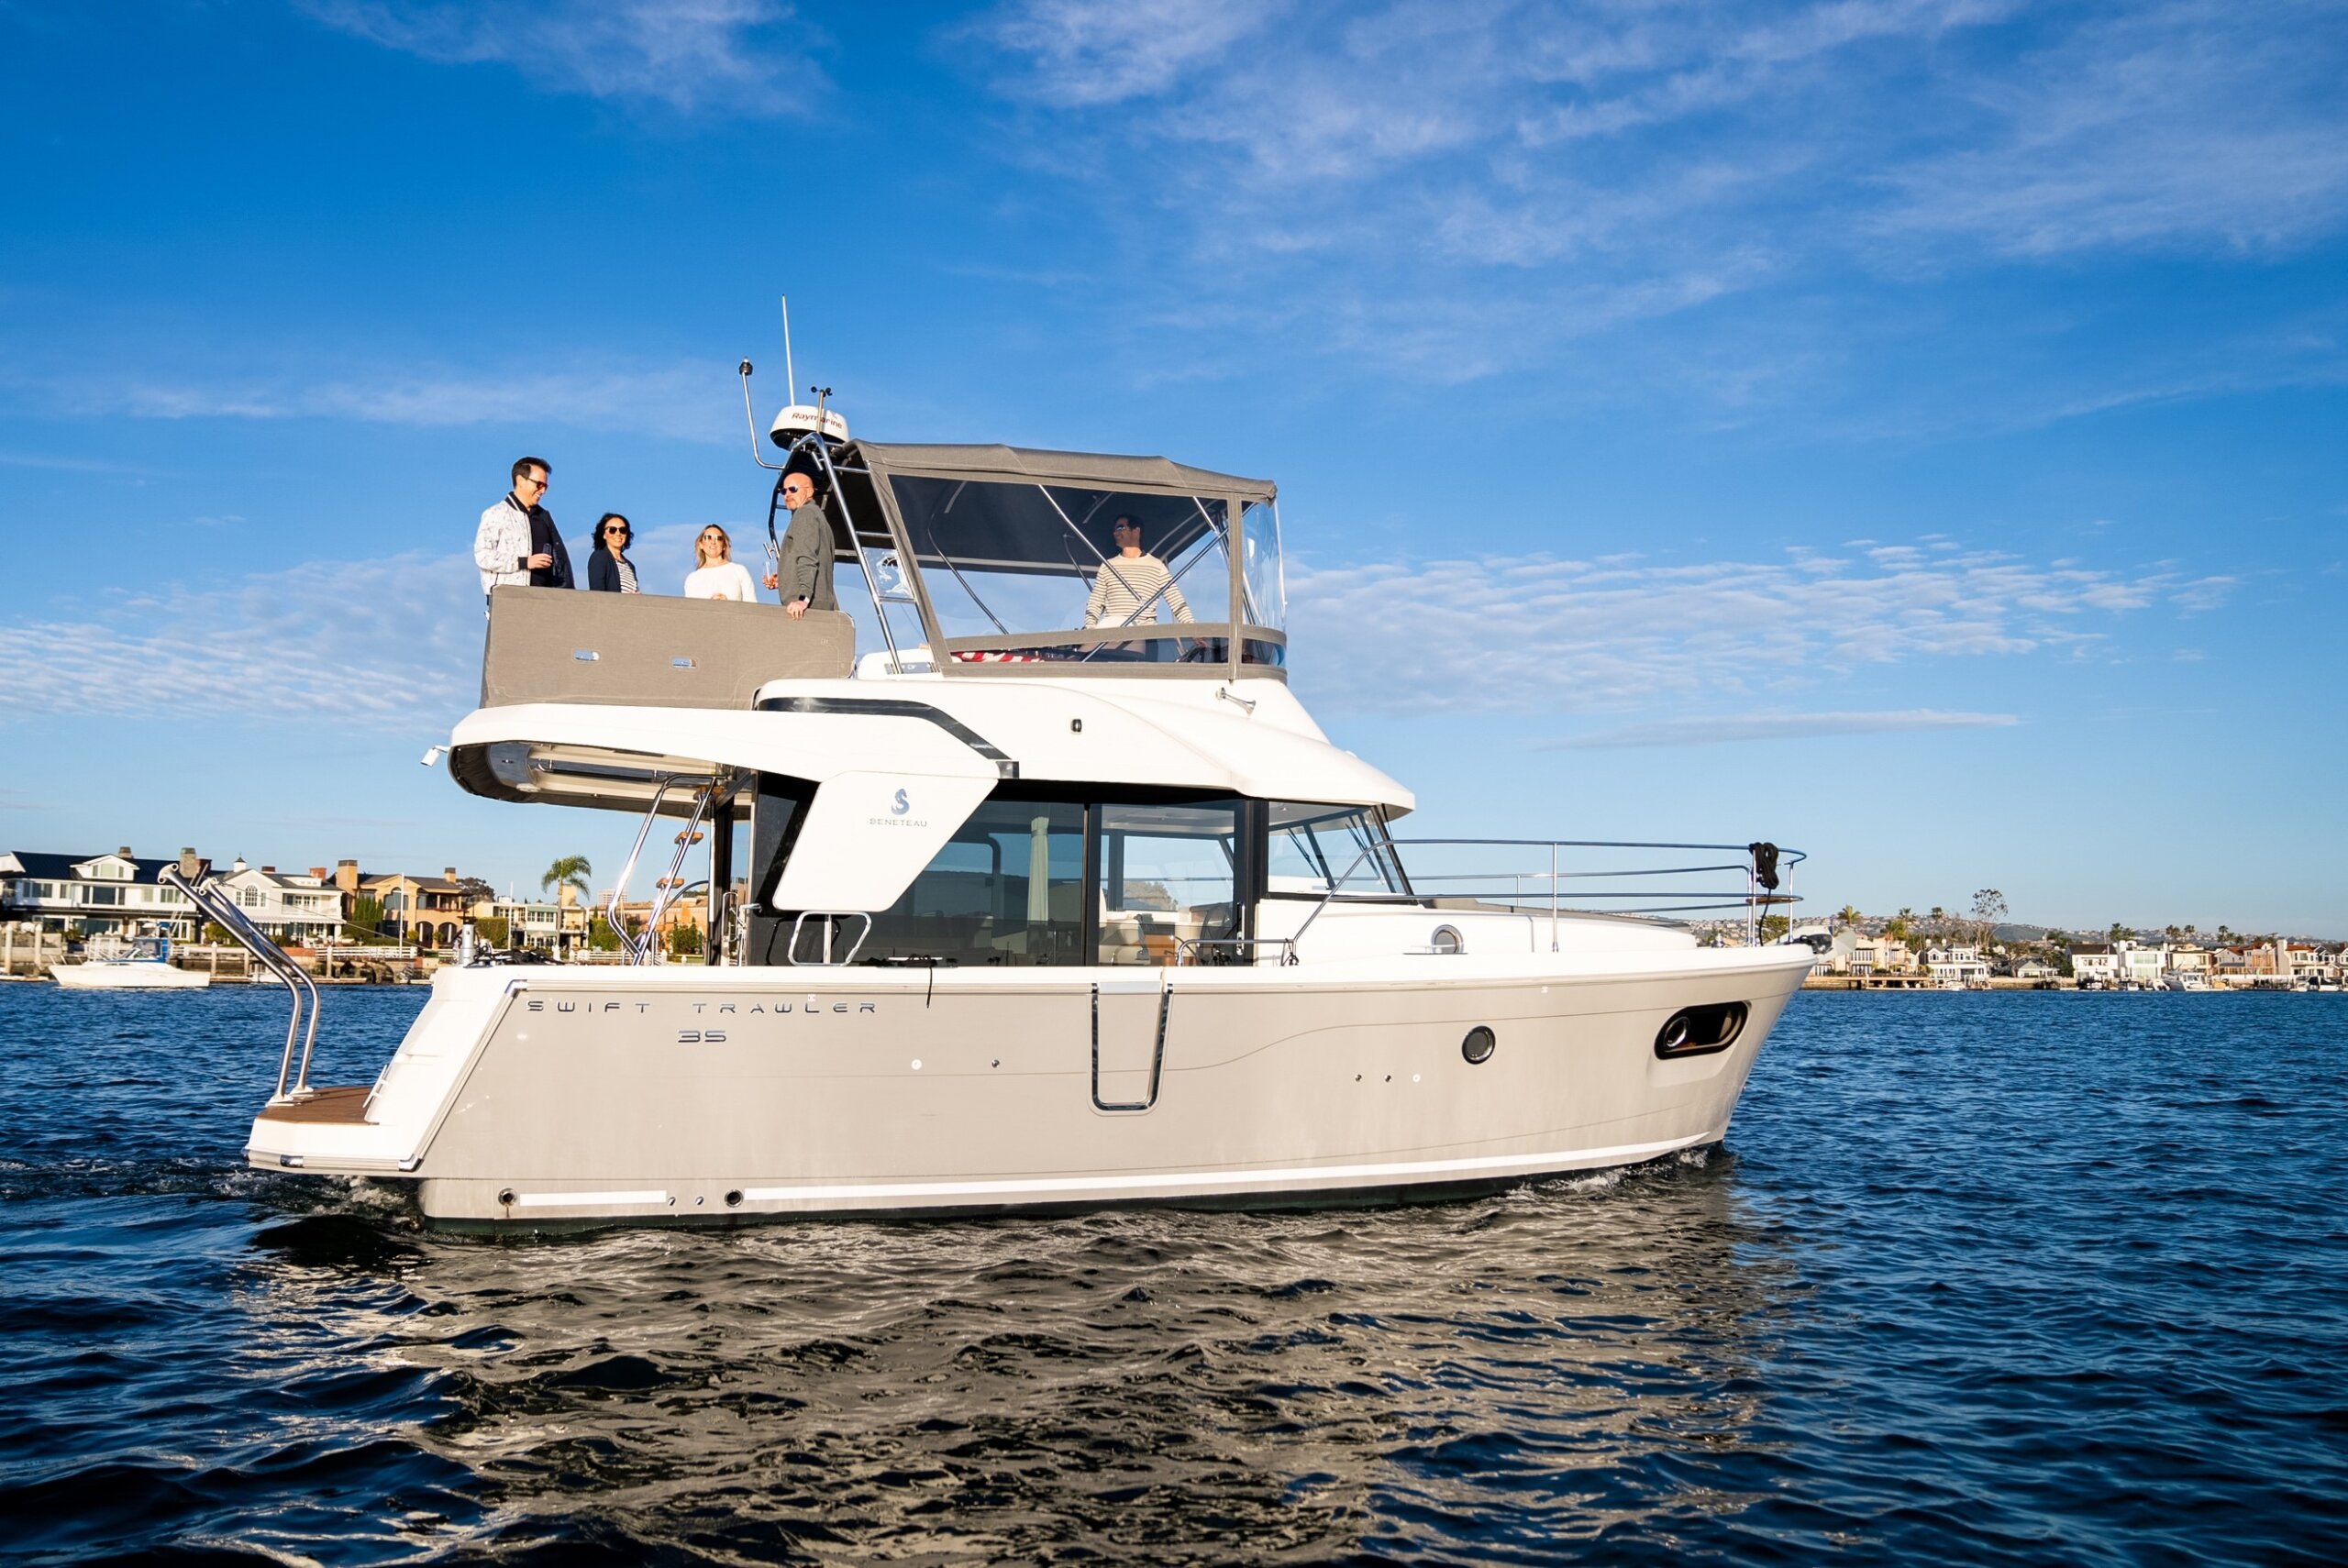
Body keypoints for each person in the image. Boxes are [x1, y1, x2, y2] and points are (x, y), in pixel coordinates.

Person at [472, 457, 572, 602]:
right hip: (508, 600)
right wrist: (525, 562)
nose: (542, 490)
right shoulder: (496, 513)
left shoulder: (544, 517)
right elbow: (483, 556)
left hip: (545, 601)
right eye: (539, 484)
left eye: (546, 486)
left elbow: (561, 564)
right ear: (520, 480)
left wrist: (566, 595)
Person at [1084, 515, 1192, 629]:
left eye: (1120, 528)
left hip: (1143, 633)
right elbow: (1095, 602)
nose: (1115, 533)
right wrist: (1090, 628)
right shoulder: (1107, 566)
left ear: (1136, 531)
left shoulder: (1156, 566)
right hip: (1112, 631)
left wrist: (1193, 630)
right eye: (1114, 530)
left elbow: (1176, 601)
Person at [765, 469, 839, 620]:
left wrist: (803, 599)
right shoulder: (816, 515)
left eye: (793, 489)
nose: (787, 494)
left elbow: (807, 558)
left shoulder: (805, 514)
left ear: (810, 491)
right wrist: (784, 578)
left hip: (806, 609)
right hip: (819, 603)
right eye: (783, 491)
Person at [683, 525, 759, 602]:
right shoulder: (692, 579)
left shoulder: (740, 571)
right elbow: (691, 611)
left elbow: (751, 606)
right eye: (708, 538)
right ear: (701, 544)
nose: (713, 542)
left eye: (718, 538)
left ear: (724, 546)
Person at [586, 513, 639, 593]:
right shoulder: (599, 558)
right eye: (612, 530)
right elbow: (597, 593)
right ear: (604, 534)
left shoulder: (630, 566)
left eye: (622, 530)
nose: (618, 534)